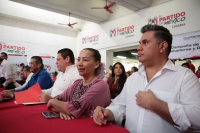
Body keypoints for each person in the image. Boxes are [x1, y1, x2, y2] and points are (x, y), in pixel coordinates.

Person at [93, 24, 200, 133]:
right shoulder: (133, 78)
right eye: (140, 43)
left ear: (162, 46)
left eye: (145, 42)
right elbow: (120, 106)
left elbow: (197, 118)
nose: (138, 47)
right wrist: (107, 113)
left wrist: (157, 105)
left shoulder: (184, 77)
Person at [47, 48, 110, 120]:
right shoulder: (77, 83)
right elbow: (59, 98)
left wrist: (59, 106)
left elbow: (73, 107)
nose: (79, 64)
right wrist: (62, 109)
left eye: (85, 60)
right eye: (78, 60)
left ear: (96, 64)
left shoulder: (101, 85)